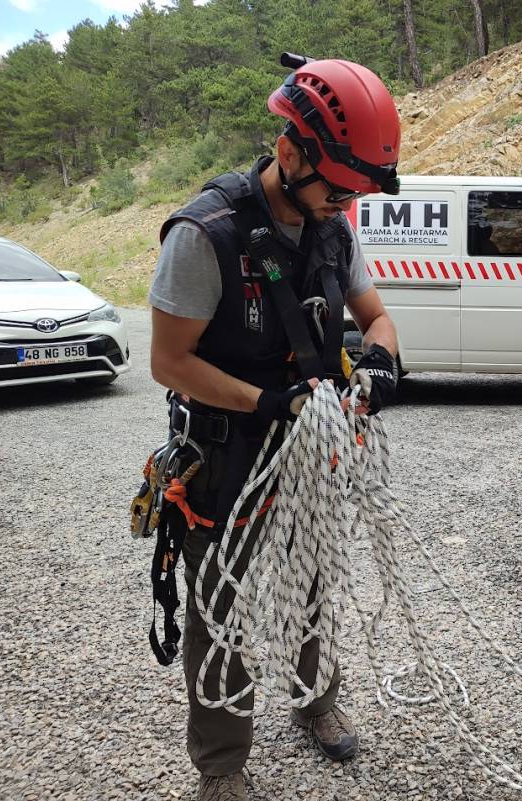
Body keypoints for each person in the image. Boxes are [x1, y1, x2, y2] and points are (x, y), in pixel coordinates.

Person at [147, 57, 401, 801]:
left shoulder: (332, 226)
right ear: (288, 153)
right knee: (219, 606)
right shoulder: (207, 236)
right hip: (228, 455)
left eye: (355, 192)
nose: (344, 205)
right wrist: (268, 403)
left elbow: (376, 316)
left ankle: (315, 699)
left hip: (308, 450)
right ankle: (222, 765)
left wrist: (380, 365)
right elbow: (168, 361)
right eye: (336, 188)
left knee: (313, 581)